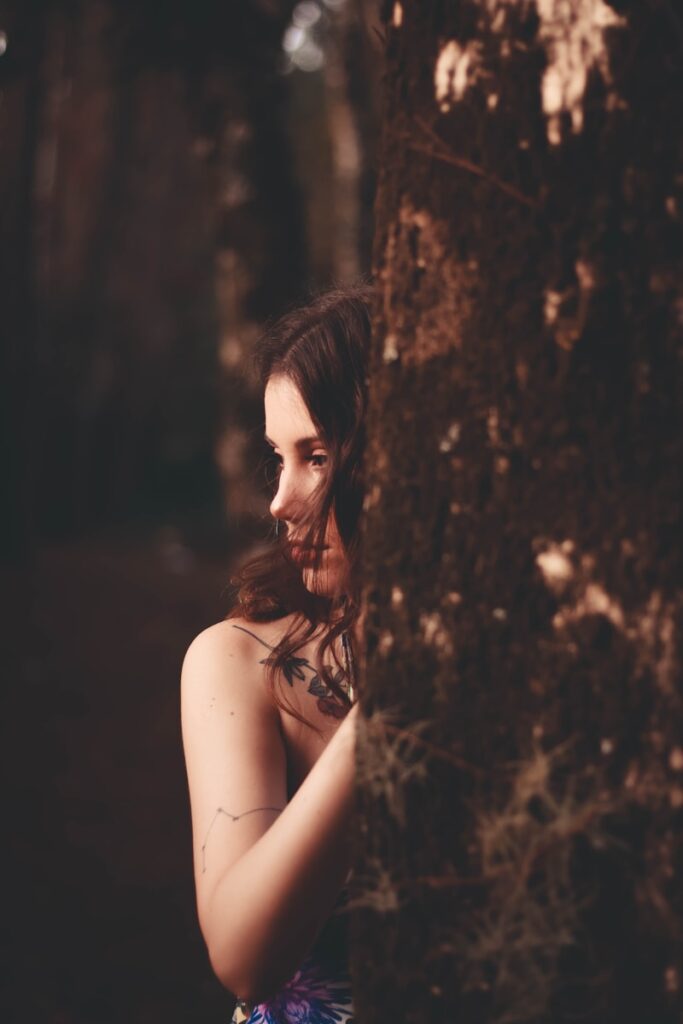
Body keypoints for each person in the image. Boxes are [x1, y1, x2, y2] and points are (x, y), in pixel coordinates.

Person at [181, 286, 371, 1023]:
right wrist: (387, 699)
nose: (280, 500)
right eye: (277, 457)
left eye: (317, 456)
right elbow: (243, 955)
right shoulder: (237, 664)